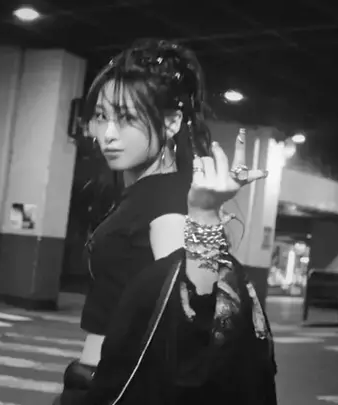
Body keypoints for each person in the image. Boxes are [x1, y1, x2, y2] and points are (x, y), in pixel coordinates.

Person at [56, 39, 278, 405]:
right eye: (101, 116)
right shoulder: (142, 194)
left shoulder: (167, 201)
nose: (108, 133)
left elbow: (194, 313)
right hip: (105, 382)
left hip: (124, 390)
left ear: (172, 121)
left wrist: (204, 216)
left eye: (126, 118)